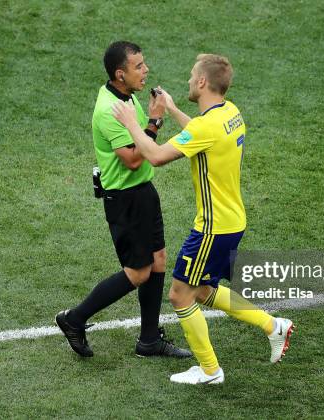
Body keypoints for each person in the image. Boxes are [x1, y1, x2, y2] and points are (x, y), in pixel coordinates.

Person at [112, 53, 294, 384]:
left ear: (201, 82)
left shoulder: (206, 126)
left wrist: (130, 124)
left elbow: (154, 156)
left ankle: (210, 370)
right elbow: (202, 132)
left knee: (181, 295)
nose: (186, 81)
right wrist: (171, 108)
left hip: (212, 228)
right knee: (205, 291)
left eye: (191, 75)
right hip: (233, 221)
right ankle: (273, 325)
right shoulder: (231, 113)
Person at [55, 41, 191, 359]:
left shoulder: (126, 96)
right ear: (120, 73)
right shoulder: (109, 110)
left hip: (143, 193)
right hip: (125, 200)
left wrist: (149, 123)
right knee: (138, 272)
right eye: (139, 66)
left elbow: (138, 144)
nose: (146, 71)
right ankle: (73, 319)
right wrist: (155, 121)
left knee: (157, 260)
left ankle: (148, 340)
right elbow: (132, 158)